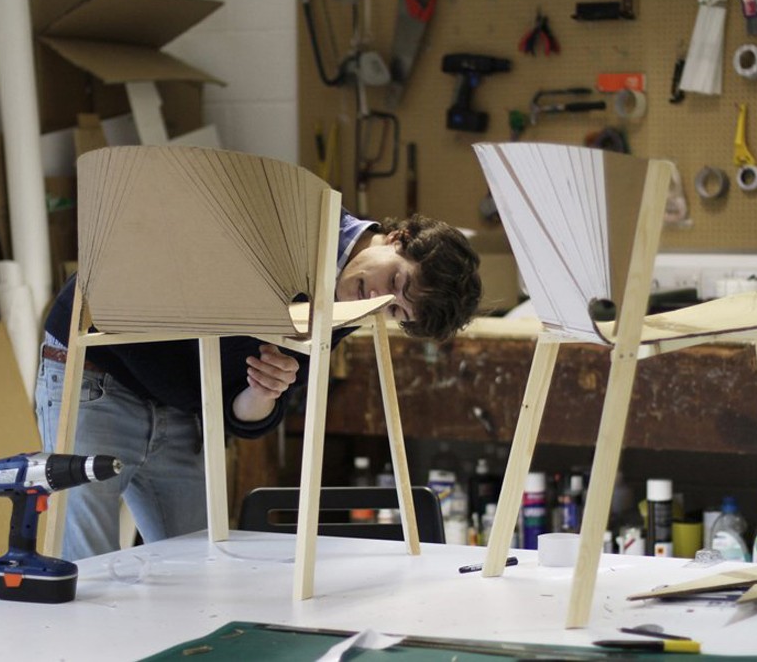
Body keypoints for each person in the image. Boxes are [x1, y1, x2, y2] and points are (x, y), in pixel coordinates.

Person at [35, 209, 481, 560]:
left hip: (176, 403)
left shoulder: (350, 302)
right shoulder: (303, 217)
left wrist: (264, 391)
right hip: (100, 370)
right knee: (88, 567)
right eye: (396, 281)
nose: (379, 299)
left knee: (197, 568)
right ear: (398, 238)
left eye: (395, 310)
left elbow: (241, 407)